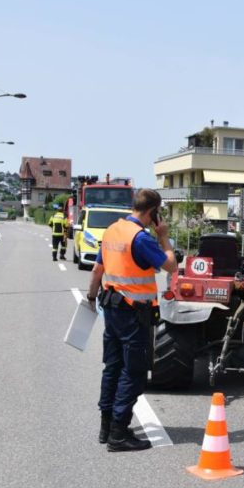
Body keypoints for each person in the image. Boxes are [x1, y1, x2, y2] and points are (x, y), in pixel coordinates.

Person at [86, 189, 177, 452]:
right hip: (133, 313)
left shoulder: (113, 230)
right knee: (134, 372)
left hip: (111, 308)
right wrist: (164, 237)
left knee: (112, 368)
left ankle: (106, 427)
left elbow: (97, 269)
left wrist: (91, 298)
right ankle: (118, 433)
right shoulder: (142, 239)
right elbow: (170, 265)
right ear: (153, 212)